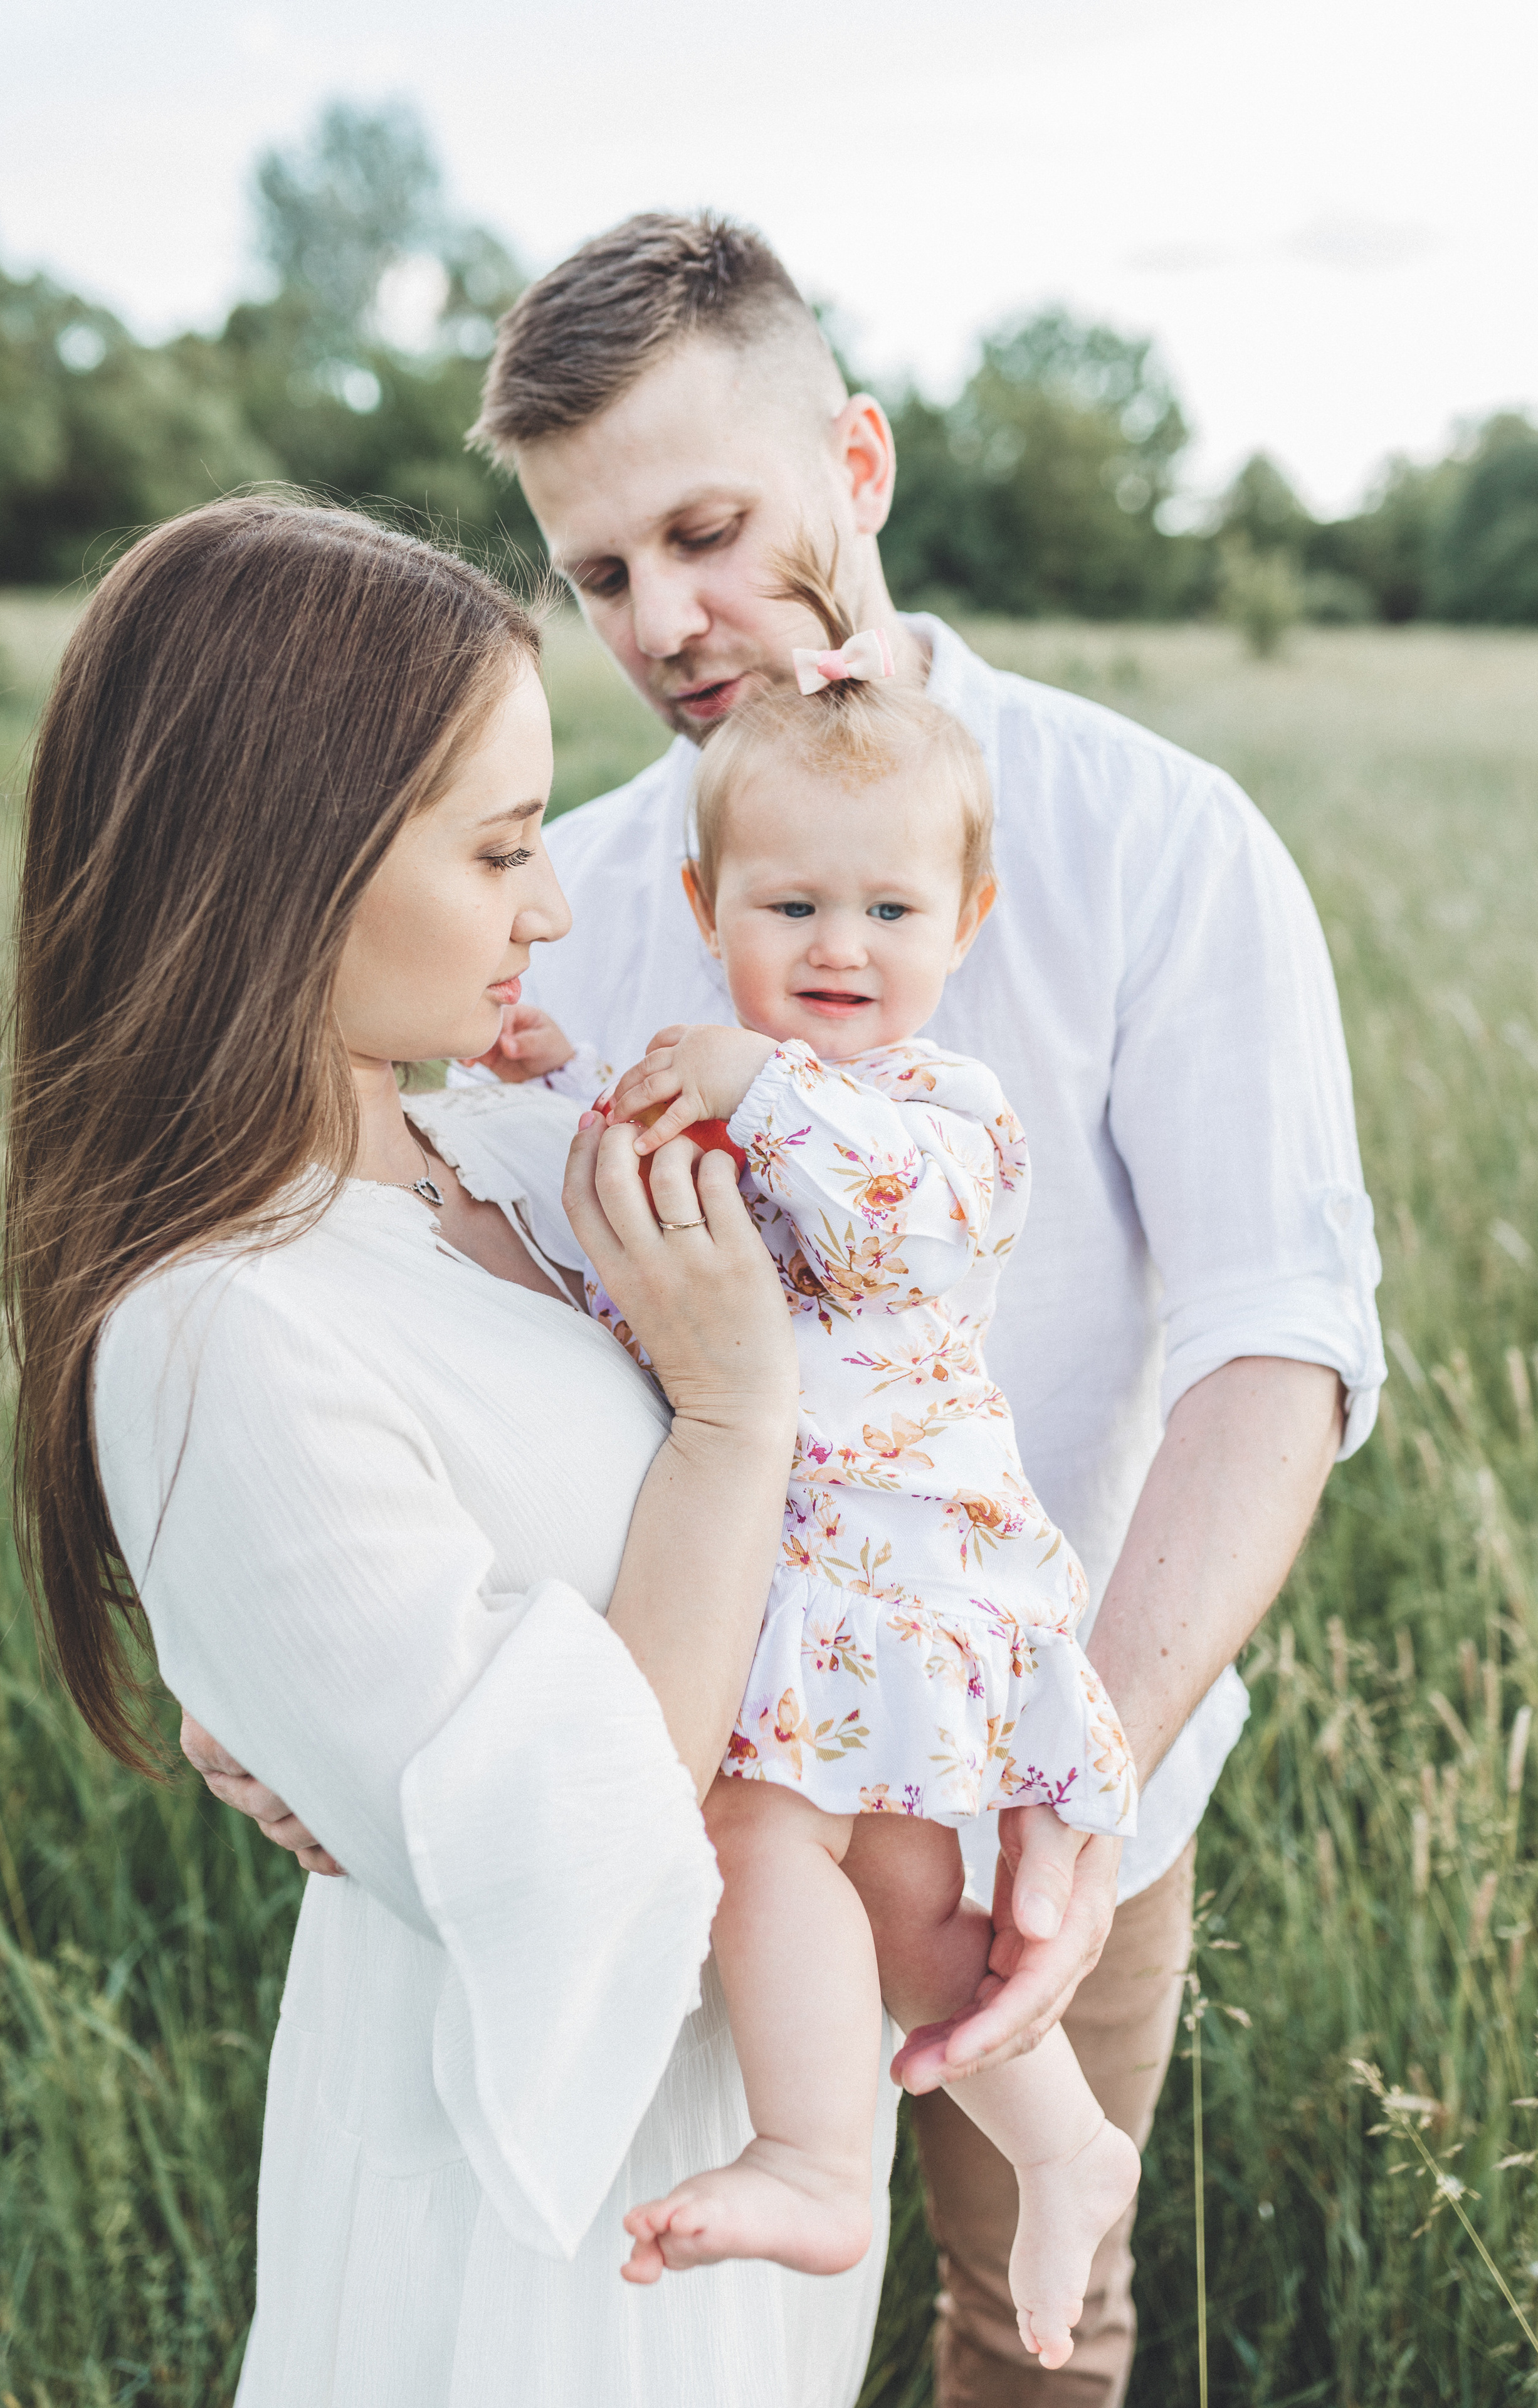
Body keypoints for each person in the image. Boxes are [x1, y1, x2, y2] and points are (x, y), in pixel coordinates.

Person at [466, 213, 1386, 2405]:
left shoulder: (1153, 839)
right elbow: (487, 1305)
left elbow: (1276, 1345)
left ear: (858, 463)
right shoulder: (585, 888)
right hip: (687, 1769)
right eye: (600, 574)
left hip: (1048, 1762)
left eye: (706, 533)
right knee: (657, 2337)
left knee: (1025, 2323)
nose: (659, 622)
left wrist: (1088, 1775)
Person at [4, 494, 900, 2408]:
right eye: (499, 850)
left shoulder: (507, 1155)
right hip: (532, 2236)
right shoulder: (219, 1329)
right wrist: (732, 1418)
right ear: (282, 864)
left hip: (728, 2138)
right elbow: (580, 1856)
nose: (552, 907)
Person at [505, 548, 1144, 2367]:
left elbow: (887, 1215)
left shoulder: (946, 1115)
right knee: (898, 1903)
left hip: (899, 1567)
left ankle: (819, 2157)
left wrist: (752, 1084)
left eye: (888, 909)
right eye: (790, 906)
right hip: (790, 1580)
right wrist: (552, 1089)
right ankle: (1065, 2144)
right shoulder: (722, 1086)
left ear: (969, 918)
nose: (840, 948)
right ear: (706, 906)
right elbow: (614, 1243)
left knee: (765, 1834)